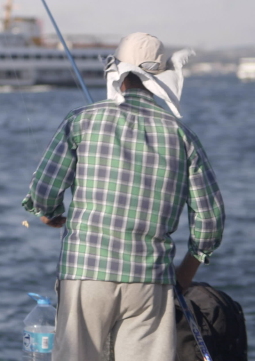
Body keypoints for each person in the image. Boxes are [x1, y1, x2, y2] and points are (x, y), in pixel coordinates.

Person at [21, 33, 225, 361]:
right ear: (161, 79)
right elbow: (210, 219)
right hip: (151, 281)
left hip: (85, 275)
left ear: (116, 73)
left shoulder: (81, 120)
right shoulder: (182, 136)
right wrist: (186, 272)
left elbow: (43, 191)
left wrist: (50, 213)